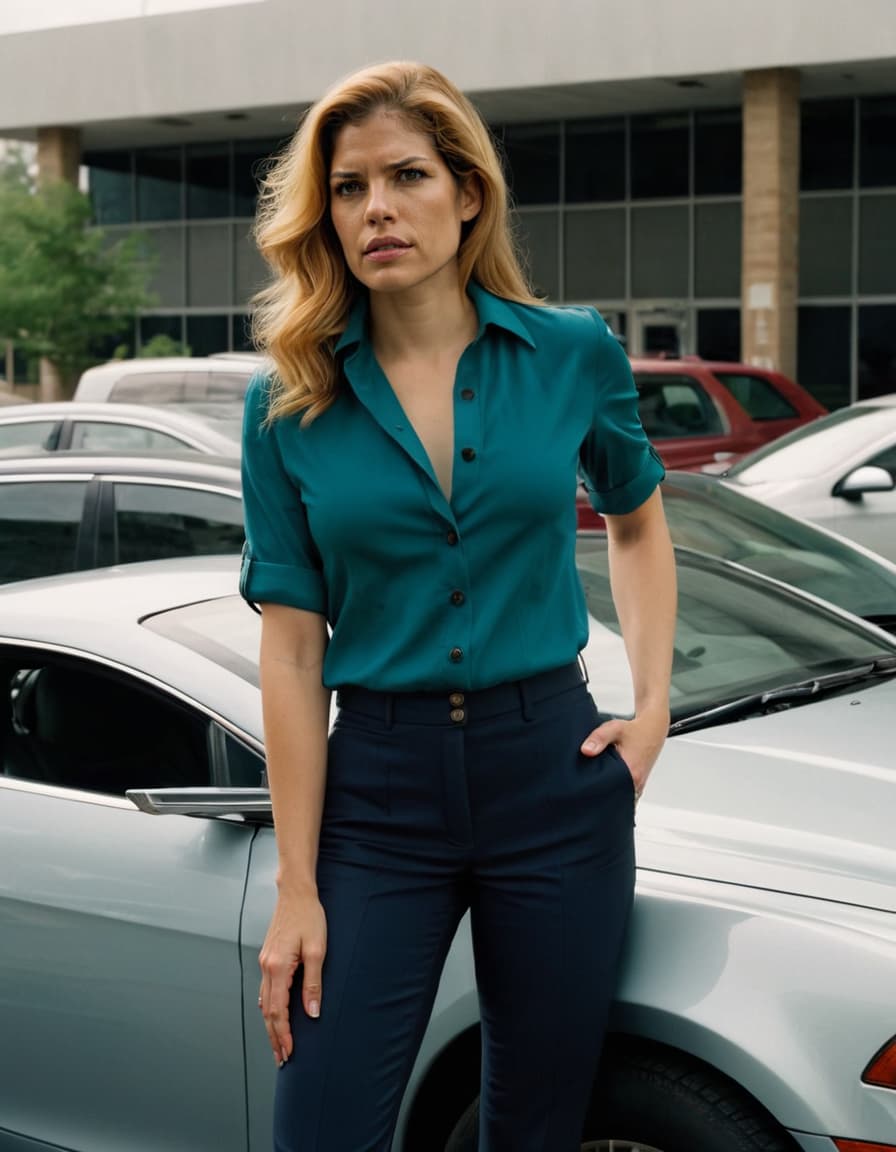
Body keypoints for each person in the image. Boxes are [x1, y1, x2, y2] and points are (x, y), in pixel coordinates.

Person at [240, 59, 677, 1152]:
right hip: (377, 799)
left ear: (466, 193)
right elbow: (291, 656)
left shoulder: (570, 351)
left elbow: (635, 519)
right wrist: (297, 887)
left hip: (552, 776)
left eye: (406, 176)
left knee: (530, 1128)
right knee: (321, 1125)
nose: (377, 207)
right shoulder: (285, 404)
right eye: (348, 188)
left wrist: (654, 704)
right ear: (325, 216)